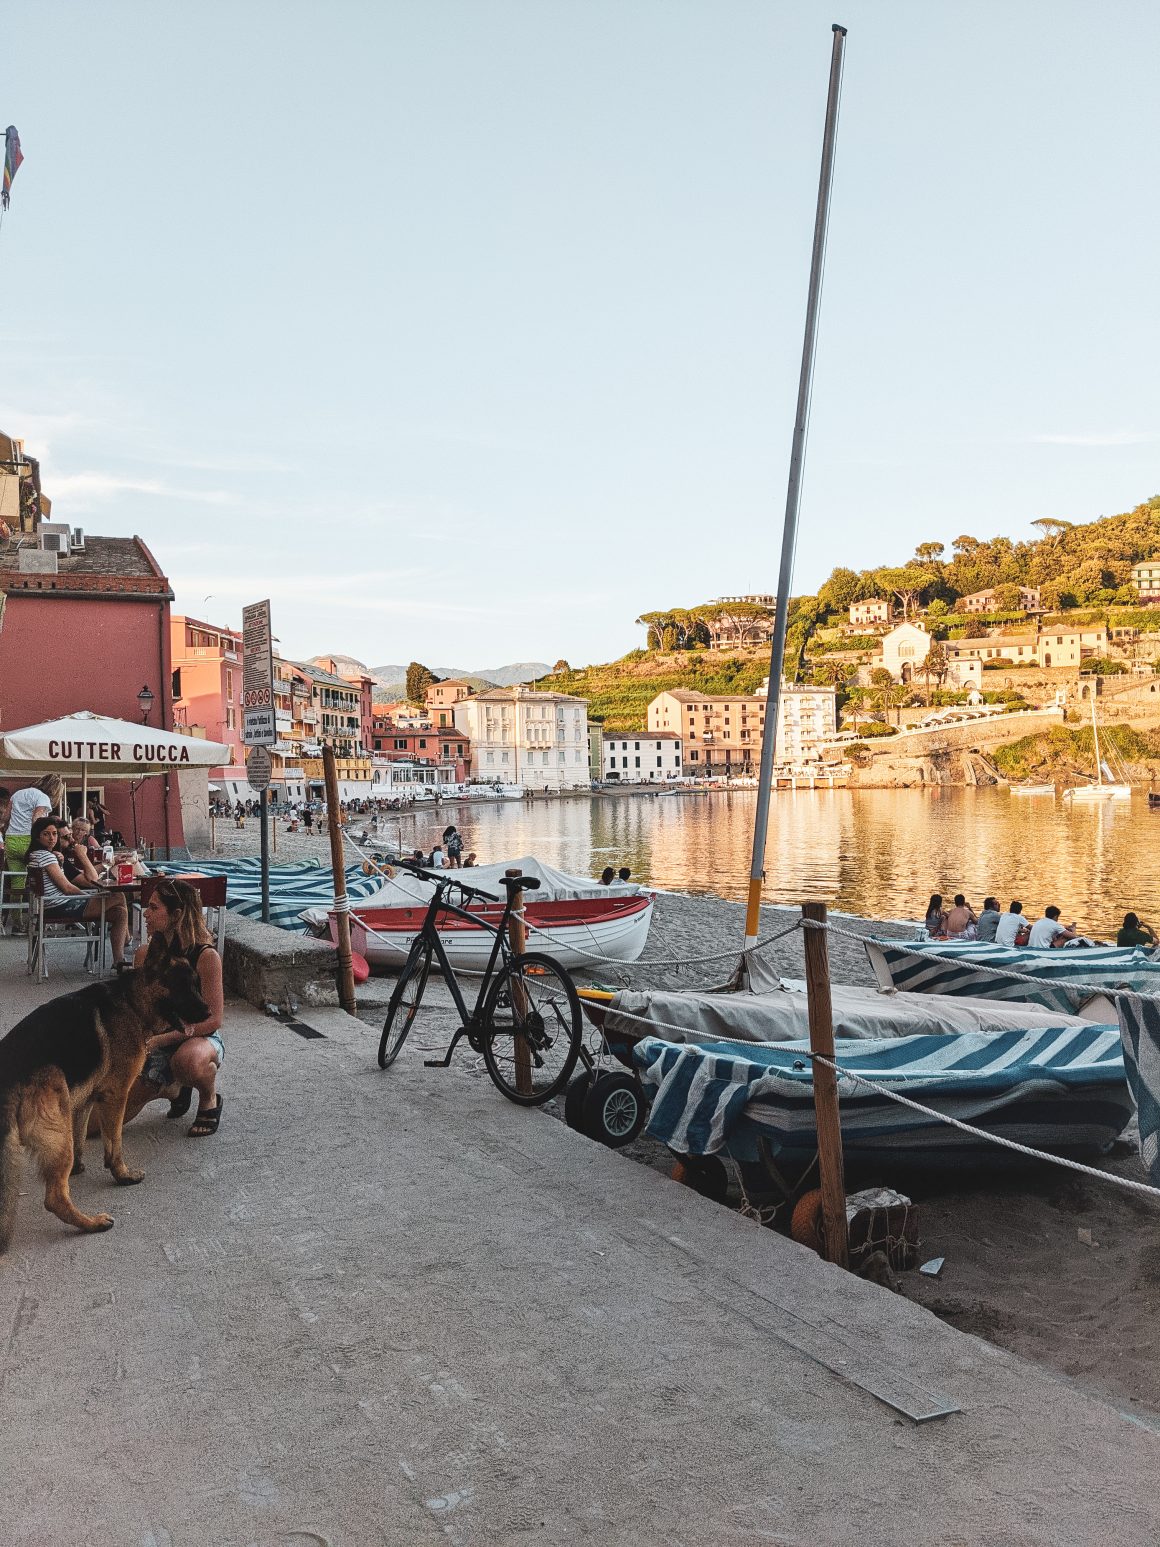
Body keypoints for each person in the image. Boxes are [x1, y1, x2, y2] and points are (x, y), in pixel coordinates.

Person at [123, 878, 225, 1137]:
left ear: (177, 914)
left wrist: (159, 1040)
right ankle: (172, 1088)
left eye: (154, 908)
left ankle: (208, 1096)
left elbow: (213, 1021)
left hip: (197, 1037)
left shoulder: (206, 957)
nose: (145, 913)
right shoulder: (144, 955)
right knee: (102, 1123)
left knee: (188, 1062)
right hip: (155, 1042)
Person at [25, 815, 131, 970]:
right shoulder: (46, 857)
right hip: (59, 905)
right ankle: (127, 942)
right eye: (46, 834)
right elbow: (67, 888)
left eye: (54, 834)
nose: (51, 838)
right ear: (37, 836)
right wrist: (88, 897)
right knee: (118, 895)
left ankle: (119, 961)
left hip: (52, 904)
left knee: (120, 912)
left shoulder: (38, 855)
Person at [4, 774, 64, 900]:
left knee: (17, 883)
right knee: (43, 878)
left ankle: (17, 918)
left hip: (11, 841)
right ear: (54, 790)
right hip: (28, 841)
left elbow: (5, 818)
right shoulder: (43, 798)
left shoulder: (17, 794)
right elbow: (36, 819)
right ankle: (45, 908)